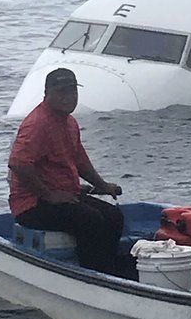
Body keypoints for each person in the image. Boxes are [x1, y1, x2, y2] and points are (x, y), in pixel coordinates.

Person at [7, 68, 125, 274]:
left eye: (73, 92)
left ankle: (110, 270)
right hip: (32, 205)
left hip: (65, 196)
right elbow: (18, 164)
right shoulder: (37, 124)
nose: (69, 98)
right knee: (90, 220)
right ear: (47, 94)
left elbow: (80, 161)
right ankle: (92, 275)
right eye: (62, 92)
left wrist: (103, 186)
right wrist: (49, 195)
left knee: (114, 216)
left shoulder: (69, 122)